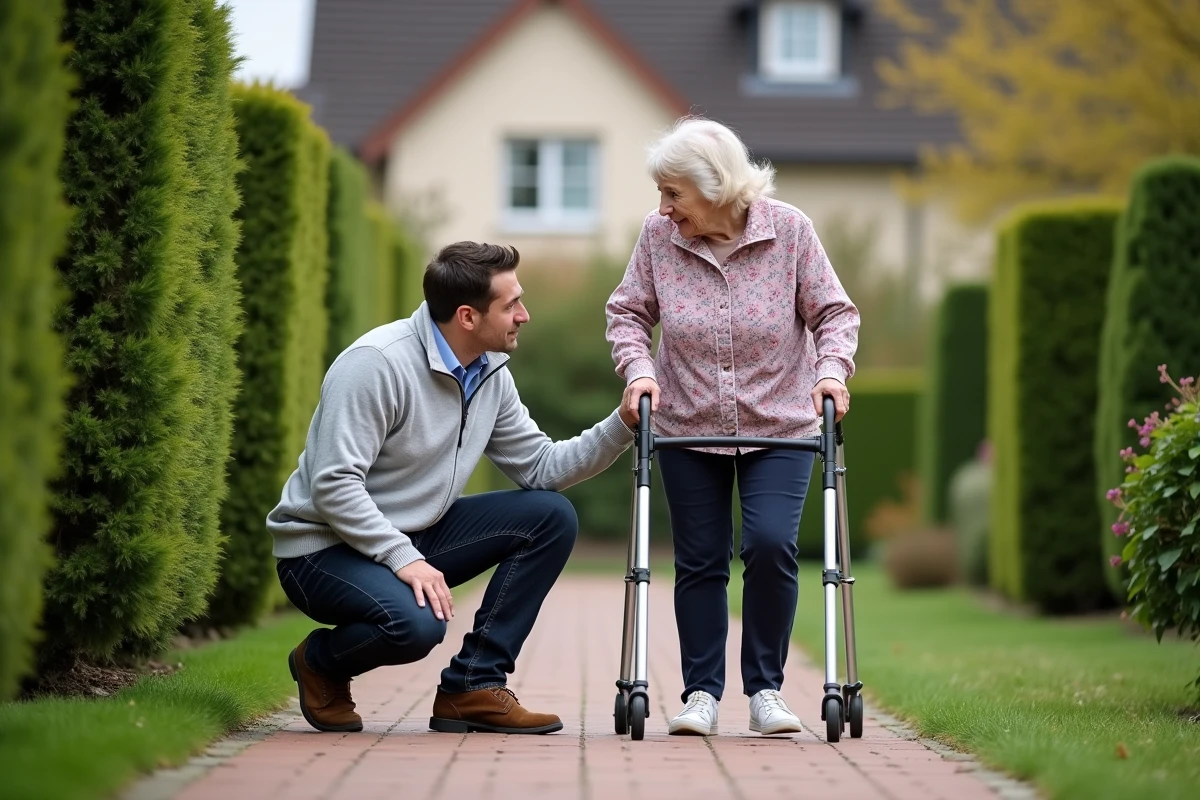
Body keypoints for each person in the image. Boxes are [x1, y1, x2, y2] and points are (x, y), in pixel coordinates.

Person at [268, 241, 637, 735]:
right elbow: (333, 484)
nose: (524, 315)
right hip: (322, 549)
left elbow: (542, 468)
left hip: (414, 535)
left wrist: (623, 423)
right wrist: (404, 557)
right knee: (416, 627)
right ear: (467, 316)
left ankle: (472, 686)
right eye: (511, 305)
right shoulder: (376, 364)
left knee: (550, 515)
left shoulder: (488, 374)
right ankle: (320, 661)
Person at [605, 117, 860, 736]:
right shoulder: (657, 239)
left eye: (673, 194)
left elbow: (833, 312)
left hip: (782, 423)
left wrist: (831, 372)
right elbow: (628, 313)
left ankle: (766, 690)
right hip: (689, 423)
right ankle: (701, 695)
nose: (663, 209)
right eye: (661, 195)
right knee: (700, 559)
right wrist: (639, 371)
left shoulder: (791, 232)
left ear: (715, 186)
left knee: (771, 546)